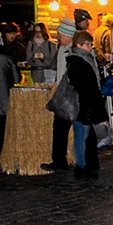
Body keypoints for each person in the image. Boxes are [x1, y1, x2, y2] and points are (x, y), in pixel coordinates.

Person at [66, 30, 107, 181]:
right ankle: (82, 166)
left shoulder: (81, 60)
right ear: (79, 45)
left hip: (83, 105)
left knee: (85, 136)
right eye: (87, 45)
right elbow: (85, 87)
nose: (90, 47)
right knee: (82, 136)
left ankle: (85, 166)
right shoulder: (79, 62)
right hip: (82, 105)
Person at [42, 18, 77, 172]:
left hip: (70, 94)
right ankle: (59, 160)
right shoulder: (62, 50)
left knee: (69, 128)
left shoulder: (73, 51)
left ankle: (63, 160)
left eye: (60, 34)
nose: (58, 37)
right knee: (59, 128)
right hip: (62, 93)